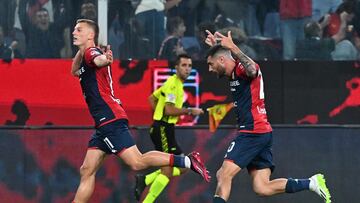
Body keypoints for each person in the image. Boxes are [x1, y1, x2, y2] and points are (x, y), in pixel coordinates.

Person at [70, 19, 210, 203]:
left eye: (79, 30)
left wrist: (104, 59)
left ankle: (187, 161)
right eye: (74, 29)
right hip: (104, 122)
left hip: (109, 119)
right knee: (86, 170)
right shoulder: (85, 55)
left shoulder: (91, 53)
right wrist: (84, 52)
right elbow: (74, 71)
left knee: (136, 161)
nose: (74, 32)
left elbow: (98, 58)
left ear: (90, 35)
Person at [204, 30, 331, 203]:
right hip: (261, 132)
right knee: (262, 187)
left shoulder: (243, 68)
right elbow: (225, 60)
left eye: (211, 64)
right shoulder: (232, 71)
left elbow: (252, 70)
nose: (209, 69)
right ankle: (310, 183)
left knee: (223, 174)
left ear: (222, 60)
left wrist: (232, 47)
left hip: (252, 131)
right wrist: (215, 47)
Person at [134, 53, 205, 202]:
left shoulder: (176, 83)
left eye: (190, 66)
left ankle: (145, 179)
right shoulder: (173, 84)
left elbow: (152, 98)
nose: (187, 69)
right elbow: (169, 110)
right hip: (163, 129)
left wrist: (157, 116)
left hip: (166, 129)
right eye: (184, 65)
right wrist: (190, 110)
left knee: (184, 166)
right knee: (167, 170)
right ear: (176, 67)